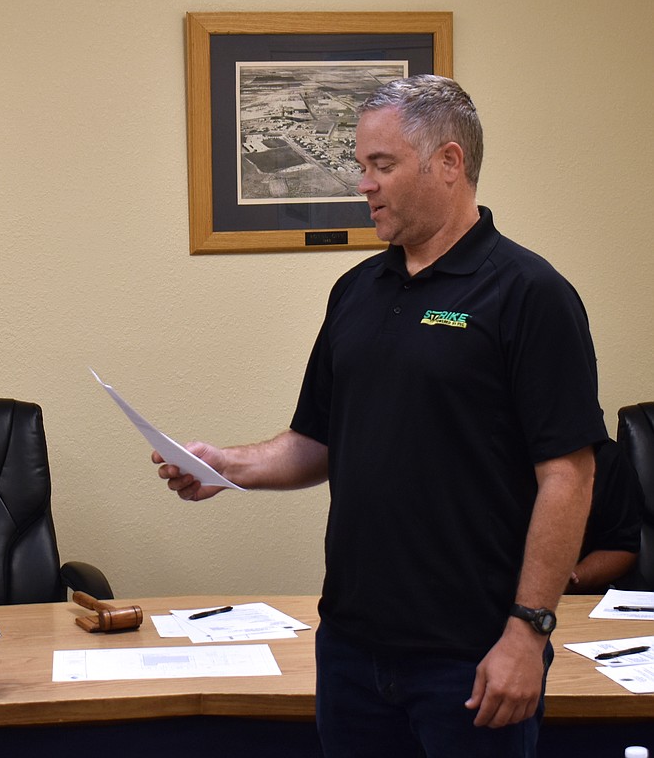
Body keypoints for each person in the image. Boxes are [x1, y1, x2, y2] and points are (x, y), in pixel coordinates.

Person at [155, 76, 606, 757]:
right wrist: (226, 466)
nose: (362, 185)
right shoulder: (356, 292)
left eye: (381, 166)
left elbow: (569, 476)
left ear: (449, 164)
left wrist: (528, 633)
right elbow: (317, 442)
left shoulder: (530, 294)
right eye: (361, 166)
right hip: (350, 651)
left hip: (472, 658)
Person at [567, 438, 641, 593]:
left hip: (578, 597)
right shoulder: (505, 461)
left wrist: (575, 576)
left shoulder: (606, 457)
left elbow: (621, 547)